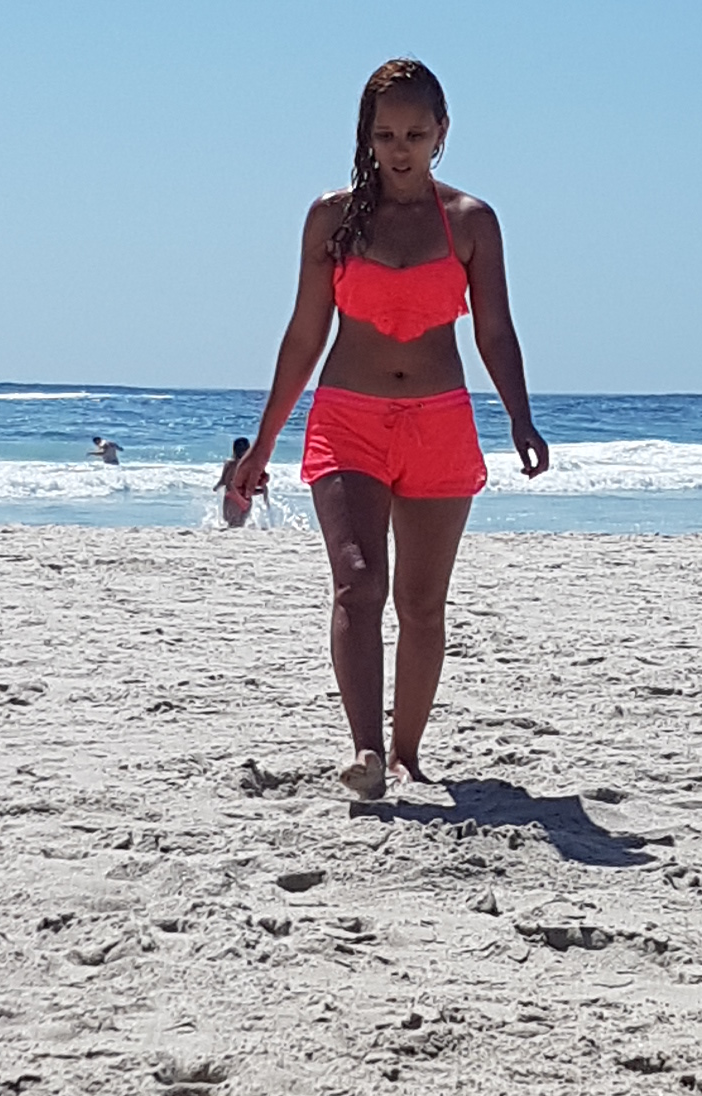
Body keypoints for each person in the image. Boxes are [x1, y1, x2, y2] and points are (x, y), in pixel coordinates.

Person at [224, 55, 548, 800]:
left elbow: (495, 332)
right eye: (385, 134)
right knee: (359, 585)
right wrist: (264, 442)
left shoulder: (471, 222)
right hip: (349, 420)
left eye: (415, 132)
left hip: (440, 424)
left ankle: (407, 754)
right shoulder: (332, 220)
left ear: (441, 133)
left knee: (423, 603)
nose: (400, 149)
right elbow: (304, 335)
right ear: (366, 137)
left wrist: (520, 417)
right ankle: (366, 750)